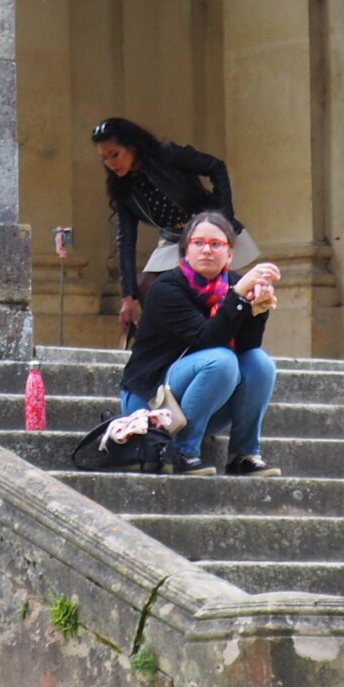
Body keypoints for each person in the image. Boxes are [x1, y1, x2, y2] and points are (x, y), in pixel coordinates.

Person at [118, 210, 280, 476]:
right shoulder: (167, 288)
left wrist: (258, 308)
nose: (207, 250)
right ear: (185, 251)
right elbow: (205, 339)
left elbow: (246, 345)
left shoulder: (236, 286)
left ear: (230, 254)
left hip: (203, 397)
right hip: (151, 401)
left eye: (216, 244)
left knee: (260, 363)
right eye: (198, 243)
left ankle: (244, 454)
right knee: (221, 361)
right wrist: (239, 298)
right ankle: (182, 452)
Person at [92, 116, 254, 333]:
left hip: (206, 230)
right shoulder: (123, 189)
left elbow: (216, 167)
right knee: (148, 288)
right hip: (173, 239)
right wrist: (127, 297)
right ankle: (177, 343)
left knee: (216, 291)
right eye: (104, 158)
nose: (111, 163)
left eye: (115, 154)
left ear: (132, 146)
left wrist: (223, 220)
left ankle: (218, 335)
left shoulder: (167, 154)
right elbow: (125, 240)